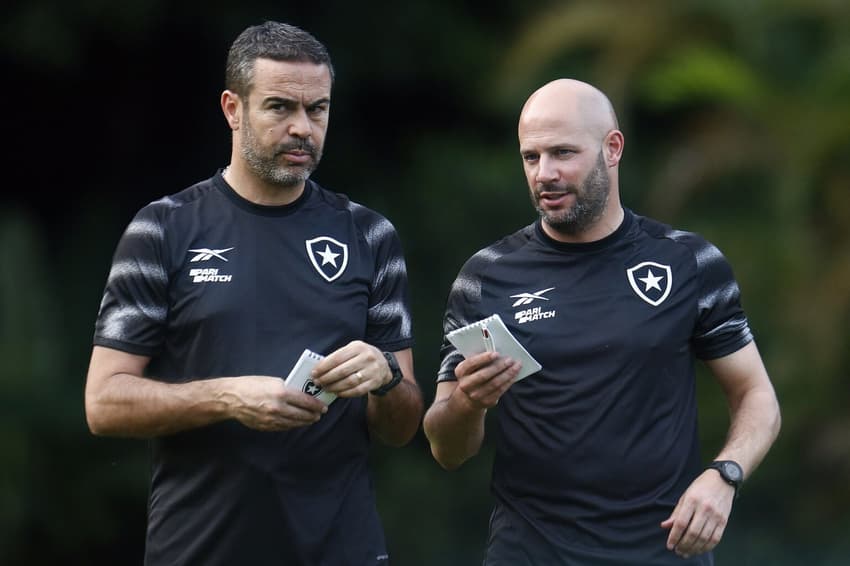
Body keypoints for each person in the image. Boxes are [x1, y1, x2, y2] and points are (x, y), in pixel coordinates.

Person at [84, 21, 423, 566]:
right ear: (233, 109)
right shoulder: (163, 229)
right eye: (280, 107)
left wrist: (385, 378)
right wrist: (225, 397)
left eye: (317, 109)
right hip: (199, 550)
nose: (302, 128)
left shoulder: (369, 235)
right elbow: (103, 403)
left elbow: (402, 427)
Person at [423, 78, 781, 565]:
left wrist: (725, 476)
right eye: (531, 157)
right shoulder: (486, 276)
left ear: (612, 149)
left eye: (563, 153)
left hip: (664, 550)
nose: (544, 173)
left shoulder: (688, 262)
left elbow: (757, 396)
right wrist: (468, 402)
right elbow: (446, 449)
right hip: (530, 553)